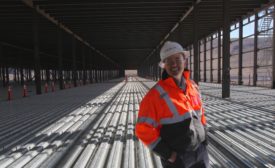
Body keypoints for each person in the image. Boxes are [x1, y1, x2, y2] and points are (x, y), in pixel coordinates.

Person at [135, 41, 209, 168]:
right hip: (178, 159)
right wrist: (169, 154)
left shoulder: (193, 86)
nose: (173, 63)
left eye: (177, 58)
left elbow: (200, 114)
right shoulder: (155, 95)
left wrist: (205, 137)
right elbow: (143, 129)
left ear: (184, 60)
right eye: (168, 61)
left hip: (200, 152)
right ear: (164, 65)